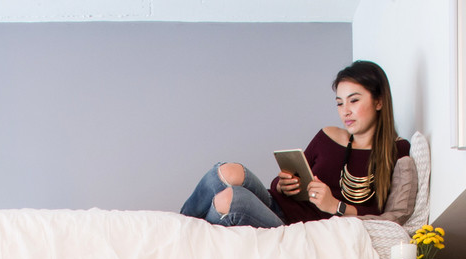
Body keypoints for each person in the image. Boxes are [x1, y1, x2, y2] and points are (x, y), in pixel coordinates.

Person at [179, 60, 418, 229]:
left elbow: (387, 217)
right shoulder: (328, 135)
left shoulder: (397, 152)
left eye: (354, 100)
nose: (345, 111)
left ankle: (187, 236)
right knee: (228, 171)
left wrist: (336, 206)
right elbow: (285, 179)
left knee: (230, 199)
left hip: (294, 224)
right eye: (339, 103)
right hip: (274, 202)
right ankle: (179, 225)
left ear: (378, 101)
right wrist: (284, 184)